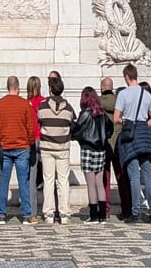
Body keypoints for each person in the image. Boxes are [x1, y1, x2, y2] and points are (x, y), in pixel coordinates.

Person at [113, 64, 151, 223]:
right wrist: (143, 124)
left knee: (133, 175)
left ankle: (136, 212)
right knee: (147, 173)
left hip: (131, 137)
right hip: (144, 135)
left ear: (126, 77)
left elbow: (116, 118)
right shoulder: (146, 94)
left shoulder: (123, 94)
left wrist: (126, 122)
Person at [0, 75, 38, 223]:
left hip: (6, 146)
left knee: (4, 181)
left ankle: (1, 214)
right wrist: (29, 142)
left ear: (8, 87)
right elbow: (31, 127)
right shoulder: (25, 104)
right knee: (23, 181)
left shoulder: (0, 104)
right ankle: (26, 215)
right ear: (18, 88)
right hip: (22, 146)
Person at [37, 72, 77, 224]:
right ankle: (64, 213)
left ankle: (49, 213)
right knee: (63, 180)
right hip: (62, 147)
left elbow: (40, 121)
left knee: (48, 180)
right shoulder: (68, 108)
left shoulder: (42, 106)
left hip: (47, 147)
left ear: (50, 89)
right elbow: (72, 123)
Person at [73, 87, 110, 221]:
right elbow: (109, 130)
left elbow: (77, 130)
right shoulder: (102, 113)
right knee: (99, 183)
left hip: (88, 148)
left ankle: (94, 214)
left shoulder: (85, 113)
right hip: (101, 149)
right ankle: (102, 215)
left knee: (91, 184)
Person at [100, 75, 128, 220]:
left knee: (105, 179)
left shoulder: (98, 103)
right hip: (118, 143)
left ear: (102, 87)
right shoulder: (119, 101)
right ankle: (126, 208)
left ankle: (105, 210)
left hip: (105, 144)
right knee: (121, 178)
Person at [25, 74, 45, 219]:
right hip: (44, 139)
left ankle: (32, 211)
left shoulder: (26, 103)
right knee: (49, 176)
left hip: (31, 140)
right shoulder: (44, 102)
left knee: (31, 177)